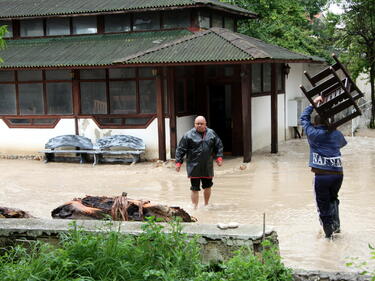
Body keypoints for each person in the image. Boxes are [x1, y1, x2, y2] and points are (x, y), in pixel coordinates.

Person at [301, 96, 347, 238]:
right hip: (338, 174)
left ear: (315, 123)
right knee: (333, 198)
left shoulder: (313, 133)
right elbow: (341, 144)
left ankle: (328, 234)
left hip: (322, 175)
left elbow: (303, 118)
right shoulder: (336, 133)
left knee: (323, 204)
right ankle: (336, 226)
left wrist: (312, 104)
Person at [175, 116, 223, 209]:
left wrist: (219, 158)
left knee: (208, 186)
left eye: (201, 123)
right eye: (197, 124)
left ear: (205, 124)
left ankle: (206, 204)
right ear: (194, 124)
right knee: (194, 188)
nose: (199, 125)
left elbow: (219, 145)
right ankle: (195, 207)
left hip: (207, 165)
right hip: (193, 166)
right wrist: (178, 163)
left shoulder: (211, 133)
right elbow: (180, 149)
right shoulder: (188, 135)